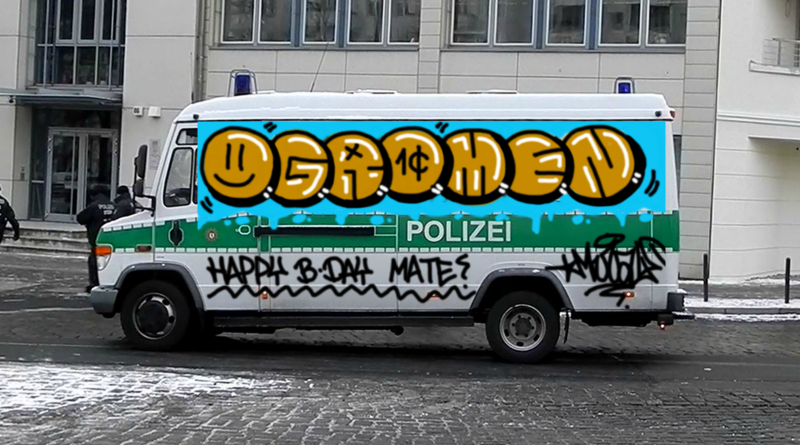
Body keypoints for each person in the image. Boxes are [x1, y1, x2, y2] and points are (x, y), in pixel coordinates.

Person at [77, 186, 115, 293]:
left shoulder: (93, 206)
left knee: (94, 262)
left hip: (97, 239)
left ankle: (95, 284)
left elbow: (80, 218)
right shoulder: (114, 205)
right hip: (111, 239)